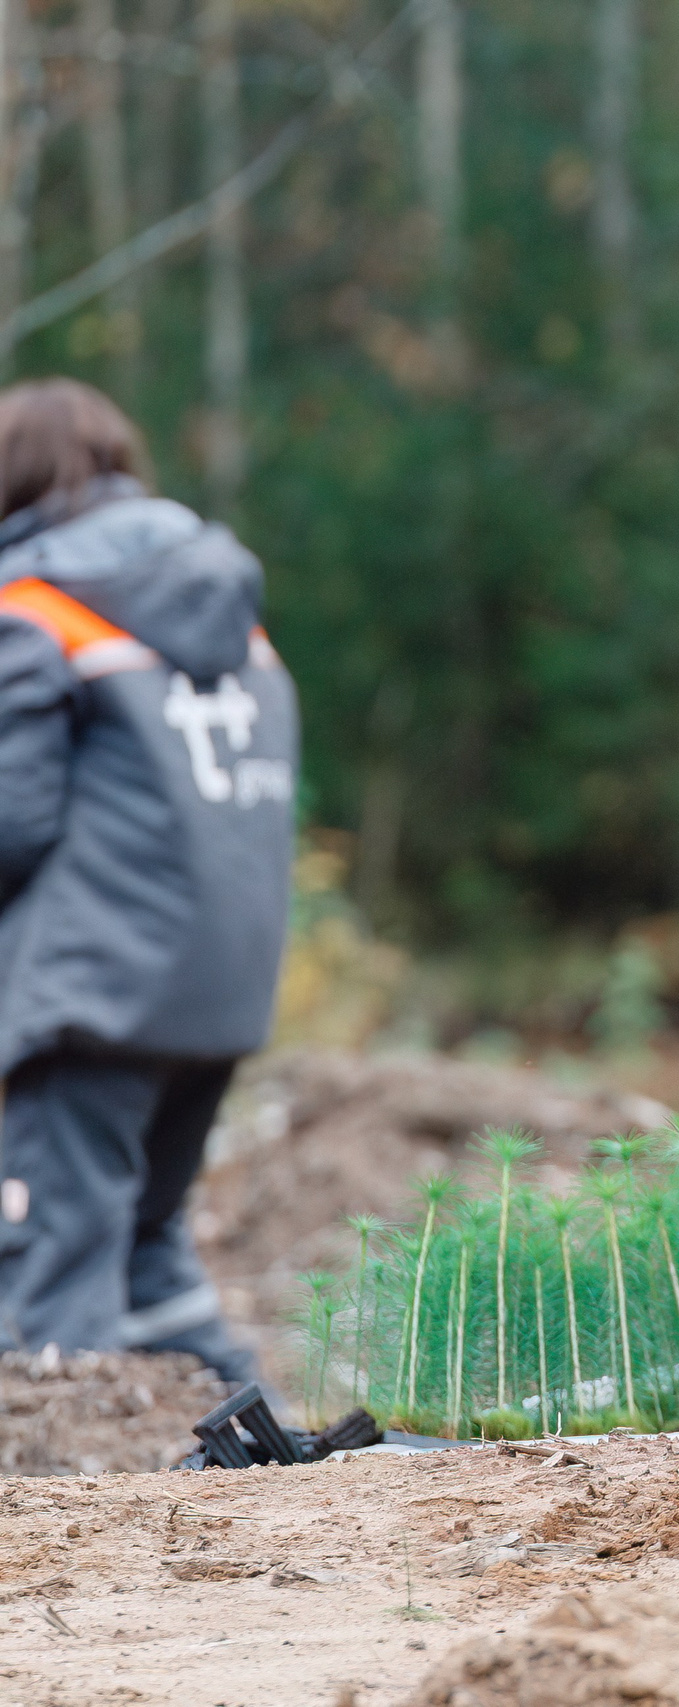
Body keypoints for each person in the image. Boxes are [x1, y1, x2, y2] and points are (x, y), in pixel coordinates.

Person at [0, 379, 296, 1385]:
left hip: (98, 988)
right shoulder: (233, 616)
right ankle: (263, 1438)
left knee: (57, 1270)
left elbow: (10, 820)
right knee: (148, 1248)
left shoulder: (35, 609)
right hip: (219, 986)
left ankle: (70, 1511)